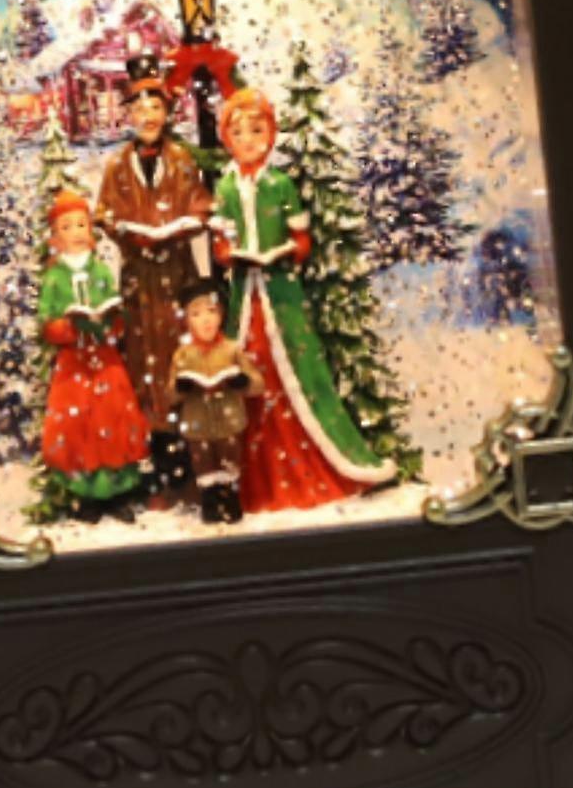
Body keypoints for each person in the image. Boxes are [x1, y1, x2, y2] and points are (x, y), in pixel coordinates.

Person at [210, 87, 395, 512]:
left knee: (298, 370)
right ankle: (254, 477)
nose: (248, 140)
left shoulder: (280, 184)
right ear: (227, 139)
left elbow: (302, 241)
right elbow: (221, 243)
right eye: (239, 132)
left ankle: (316, 462)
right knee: (247, 373)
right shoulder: (226, 186)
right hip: (245, 297)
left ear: (271, 134)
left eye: (257, 130)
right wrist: (231, 254)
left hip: (281, 295)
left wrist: (284, 252)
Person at [94, 51, 213, 497]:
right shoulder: (117, 165)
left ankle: (192, 458)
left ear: (167, 112)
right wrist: (126, 231)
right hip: (139, 282)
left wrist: (179, 227)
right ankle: (156, 459)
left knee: (182, 357)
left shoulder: (181, 160)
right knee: (143, 361)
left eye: (155, 106)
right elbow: (104, 212)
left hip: (178, 276)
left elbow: (200, 206)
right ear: (127, 114)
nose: (148, 116)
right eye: (139, 107)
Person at [36, 190, 151, 523]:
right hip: (74, 363)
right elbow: (46, 319)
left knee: (112, 417)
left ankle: (117, 490)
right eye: (66, 226)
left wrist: (112, 322)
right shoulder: (54, 277)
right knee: (79, 423)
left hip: (105, 358)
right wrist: (66, 327)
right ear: (55, 237)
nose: (75, 232)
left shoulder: (100, 270)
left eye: (81, 224)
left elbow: (113, 304)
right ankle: (86, 493)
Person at [169, 277, 265, 525]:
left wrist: (243, 382)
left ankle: (230, 497)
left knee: (229, 457)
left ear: (221, 314)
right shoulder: (183, 354)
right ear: (186, 320)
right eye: (196, 314)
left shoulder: (232, 349)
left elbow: (258, 383)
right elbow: (169, 394)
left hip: (229, 420)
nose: (206, 320)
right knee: (203, 461)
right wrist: (181, 387)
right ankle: (210, 500)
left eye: (211, 311)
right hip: (197, 423)